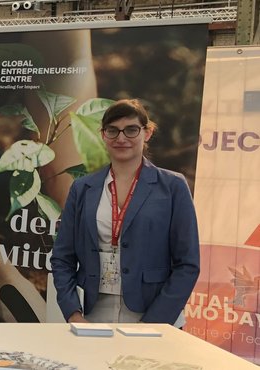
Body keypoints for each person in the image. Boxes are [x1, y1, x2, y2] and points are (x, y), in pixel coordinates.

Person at [51, 99, 199, 326]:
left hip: (155, 315)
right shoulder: (83, 188)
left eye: (131, 130)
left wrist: (155, 323)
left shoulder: (172, 187)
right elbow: (62, 258)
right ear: (103, 135)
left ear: (147, 133)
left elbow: (187, 264)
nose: (121, 138)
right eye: (113, 130)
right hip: (93, 316)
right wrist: (73, 313)